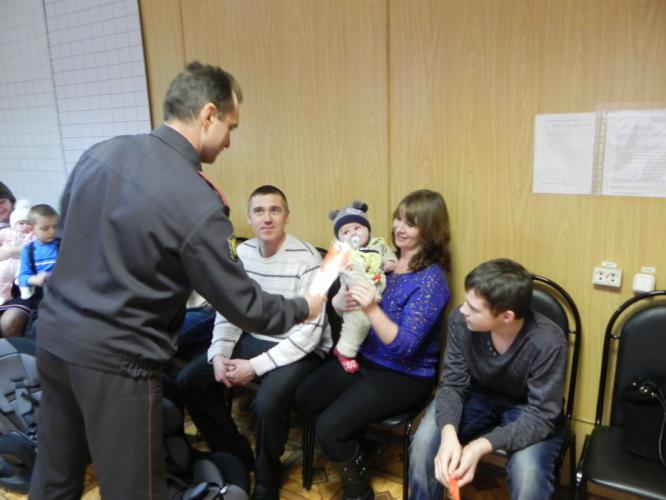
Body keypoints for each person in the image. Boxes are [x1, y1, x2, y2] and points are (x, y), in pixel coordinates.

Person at [29, 61, 325, 500]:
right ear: (208, 114)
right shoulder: (196, 199)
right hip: (117, 360)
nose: (229, 141)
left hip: (53, 339)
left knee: (55, 475)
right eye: (230, 127)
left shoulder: (101, 154)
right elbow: (244, 305)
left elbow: (71, 241)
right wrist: (305, 306)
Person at [177, 185, 332, 500]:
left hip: (300, 348)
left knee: (267, 403)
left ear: (287, 216)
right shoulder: (243, 254)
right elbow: (230, 311)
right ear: (248, 218)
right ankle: (235, 454)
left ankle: (267, 478)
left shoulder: (308, 258)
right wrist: (218, 354)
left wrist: (255, 366)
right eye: (259, 211)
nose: (267, 218)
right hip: (255, 337)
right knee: (189, 379)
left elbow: (310, 333)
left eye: (275, 210)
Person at [295, 189, 452, 500]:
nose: (399, 228)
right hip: (366, 358)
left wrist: (370, 308)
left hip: (404, 375)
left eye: (411, 223)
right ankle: (361, 450)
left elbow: (406, 346)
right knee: (304, 396)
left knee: (329, 428)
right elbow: (351, 307)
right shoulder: (380, 257)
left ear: (430, 230)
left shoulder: (431, 281)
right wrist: (339, 303)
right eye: (398, 219)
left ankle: (359, 489)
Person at [408, 258, 567, 500]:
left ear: (506, 317)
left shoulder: (548, 341)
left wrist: (480, 446)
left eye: (474, 308)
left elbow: (542, 416)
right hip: (477, 394)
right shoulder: (460, 321)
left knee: (529, 474)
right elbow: (452, 384)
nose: (463, 310)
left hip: (529, 409)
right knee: (424, 444)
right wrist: (448, 435)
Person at [328, 200, 396, 373]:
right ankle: (344, 351)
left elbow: (388, 252)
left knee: (373, 321)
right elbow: (354, 277)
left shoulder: (378, 243)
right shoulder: (346, 254)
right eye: (346, 232)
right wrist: (369, 293)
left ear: (367, 229)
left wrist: (389, 261)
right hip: (355, 294)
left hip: (375, 292)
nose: (353, 234)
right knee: (359, 321)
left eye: (357, 228)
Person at [0, 186, 32, 337]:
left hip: (25, 288)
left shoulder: (28, 219)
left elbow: (44, 246)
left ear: (11, 201)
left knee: (9, 323)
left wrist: (10, 251)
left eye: (2, 202)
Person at [0, 203, 33, 304]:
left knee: (24, 274)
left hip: (22, 262)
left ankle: (25, 290)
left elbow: (36, 247)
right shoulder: (6, 232)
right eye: (21, 223)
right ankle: (3, 296)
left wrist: (9, 251)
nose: (25, 226)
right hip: (7, 262)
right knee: (1, 276)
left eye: (28, 223)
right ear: (14, 224)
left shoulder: (32, 234)